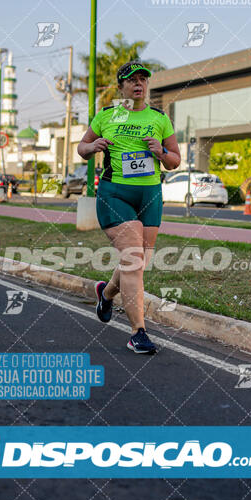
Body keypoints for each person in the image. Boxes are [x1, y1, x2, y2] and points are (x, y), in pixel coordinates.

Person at [77, 60, 181, 354]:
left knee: (136, 263)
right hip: (115, 193)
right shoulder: (107, 115)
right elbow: (81, 148)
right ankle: (138, 332)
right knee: (134, 257)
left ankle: (106, 293)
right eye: (132, 80)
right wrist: (93, 145)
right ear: (121, 87)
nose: (139, 84)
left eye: (143, 80)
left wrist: (161, 152)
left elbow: (175, 160)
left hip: (150, 195)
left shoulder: (160, 119)